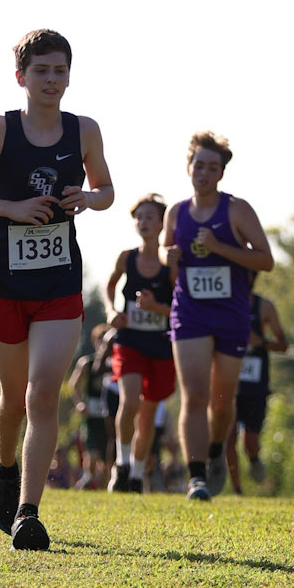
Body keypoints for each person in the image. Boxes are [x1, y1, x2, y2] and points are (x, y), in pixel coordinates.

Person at [0, 29, 114, 551]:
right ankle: (3, 465)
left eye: (60, 71)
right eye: (41, 71)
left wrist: (87, 197)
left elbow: (107, 191)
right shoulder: (0, 130)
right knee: (13, 399)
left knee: (42, 394)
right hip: (3, 284)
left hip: (59, 284)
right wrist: (10, 209)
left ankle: (28, 514)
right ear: (21, 77)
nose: (52, 80)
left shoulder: (84, 131)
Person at [164, 132, 276, 502]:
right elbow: (169, 261)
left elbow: (265, 260)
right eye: (199, 165)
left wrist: (221, 248)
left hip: (231, 313)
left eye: (213, 167)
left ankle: (214, 450)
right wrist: (170, 259)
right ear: (188, 167)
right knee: (194, 395)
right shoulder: (175, 213)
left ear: (221, 173)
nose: (204, 173)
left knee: (222, 400)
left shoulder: (236, 210)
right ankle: (196, 476)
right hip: (191, 313)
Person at [104, 194, 176, 493]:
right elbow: (109, 286)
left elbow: (180, 307)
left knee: (148, 414)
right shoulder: (126, 257)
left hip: (161, 345)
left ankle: (136, 474)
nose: (144, 222)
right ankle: (120, 465)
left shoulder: (169, 261)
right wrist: (111, 312)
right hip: (130, 341)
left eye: (150, 217)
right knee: (129, 401)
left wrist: (155, 308)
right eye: (139, 217)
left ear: (162, 224)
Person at [226, 293, 288, 493]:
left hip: (256, 385)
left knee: (250, 442)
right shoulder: (224, 302)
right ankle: (237, 488)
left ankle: (253, 457)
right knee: (229, 435)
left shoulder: (265, 306)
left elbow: (283, 345)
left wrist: (259, 341)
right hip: (230, 382)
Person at [69, 323, 116, 489]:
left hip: (108, 417)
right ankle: (87, 478)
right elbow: (73, 385)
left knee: (107, 460)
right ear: (94, 341)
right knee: (92, 455)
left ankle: (101, 491)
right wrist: (80, 403)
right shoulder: (86, 364)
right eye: (100, 341)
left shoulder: (115, 365)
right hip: (91, 416)